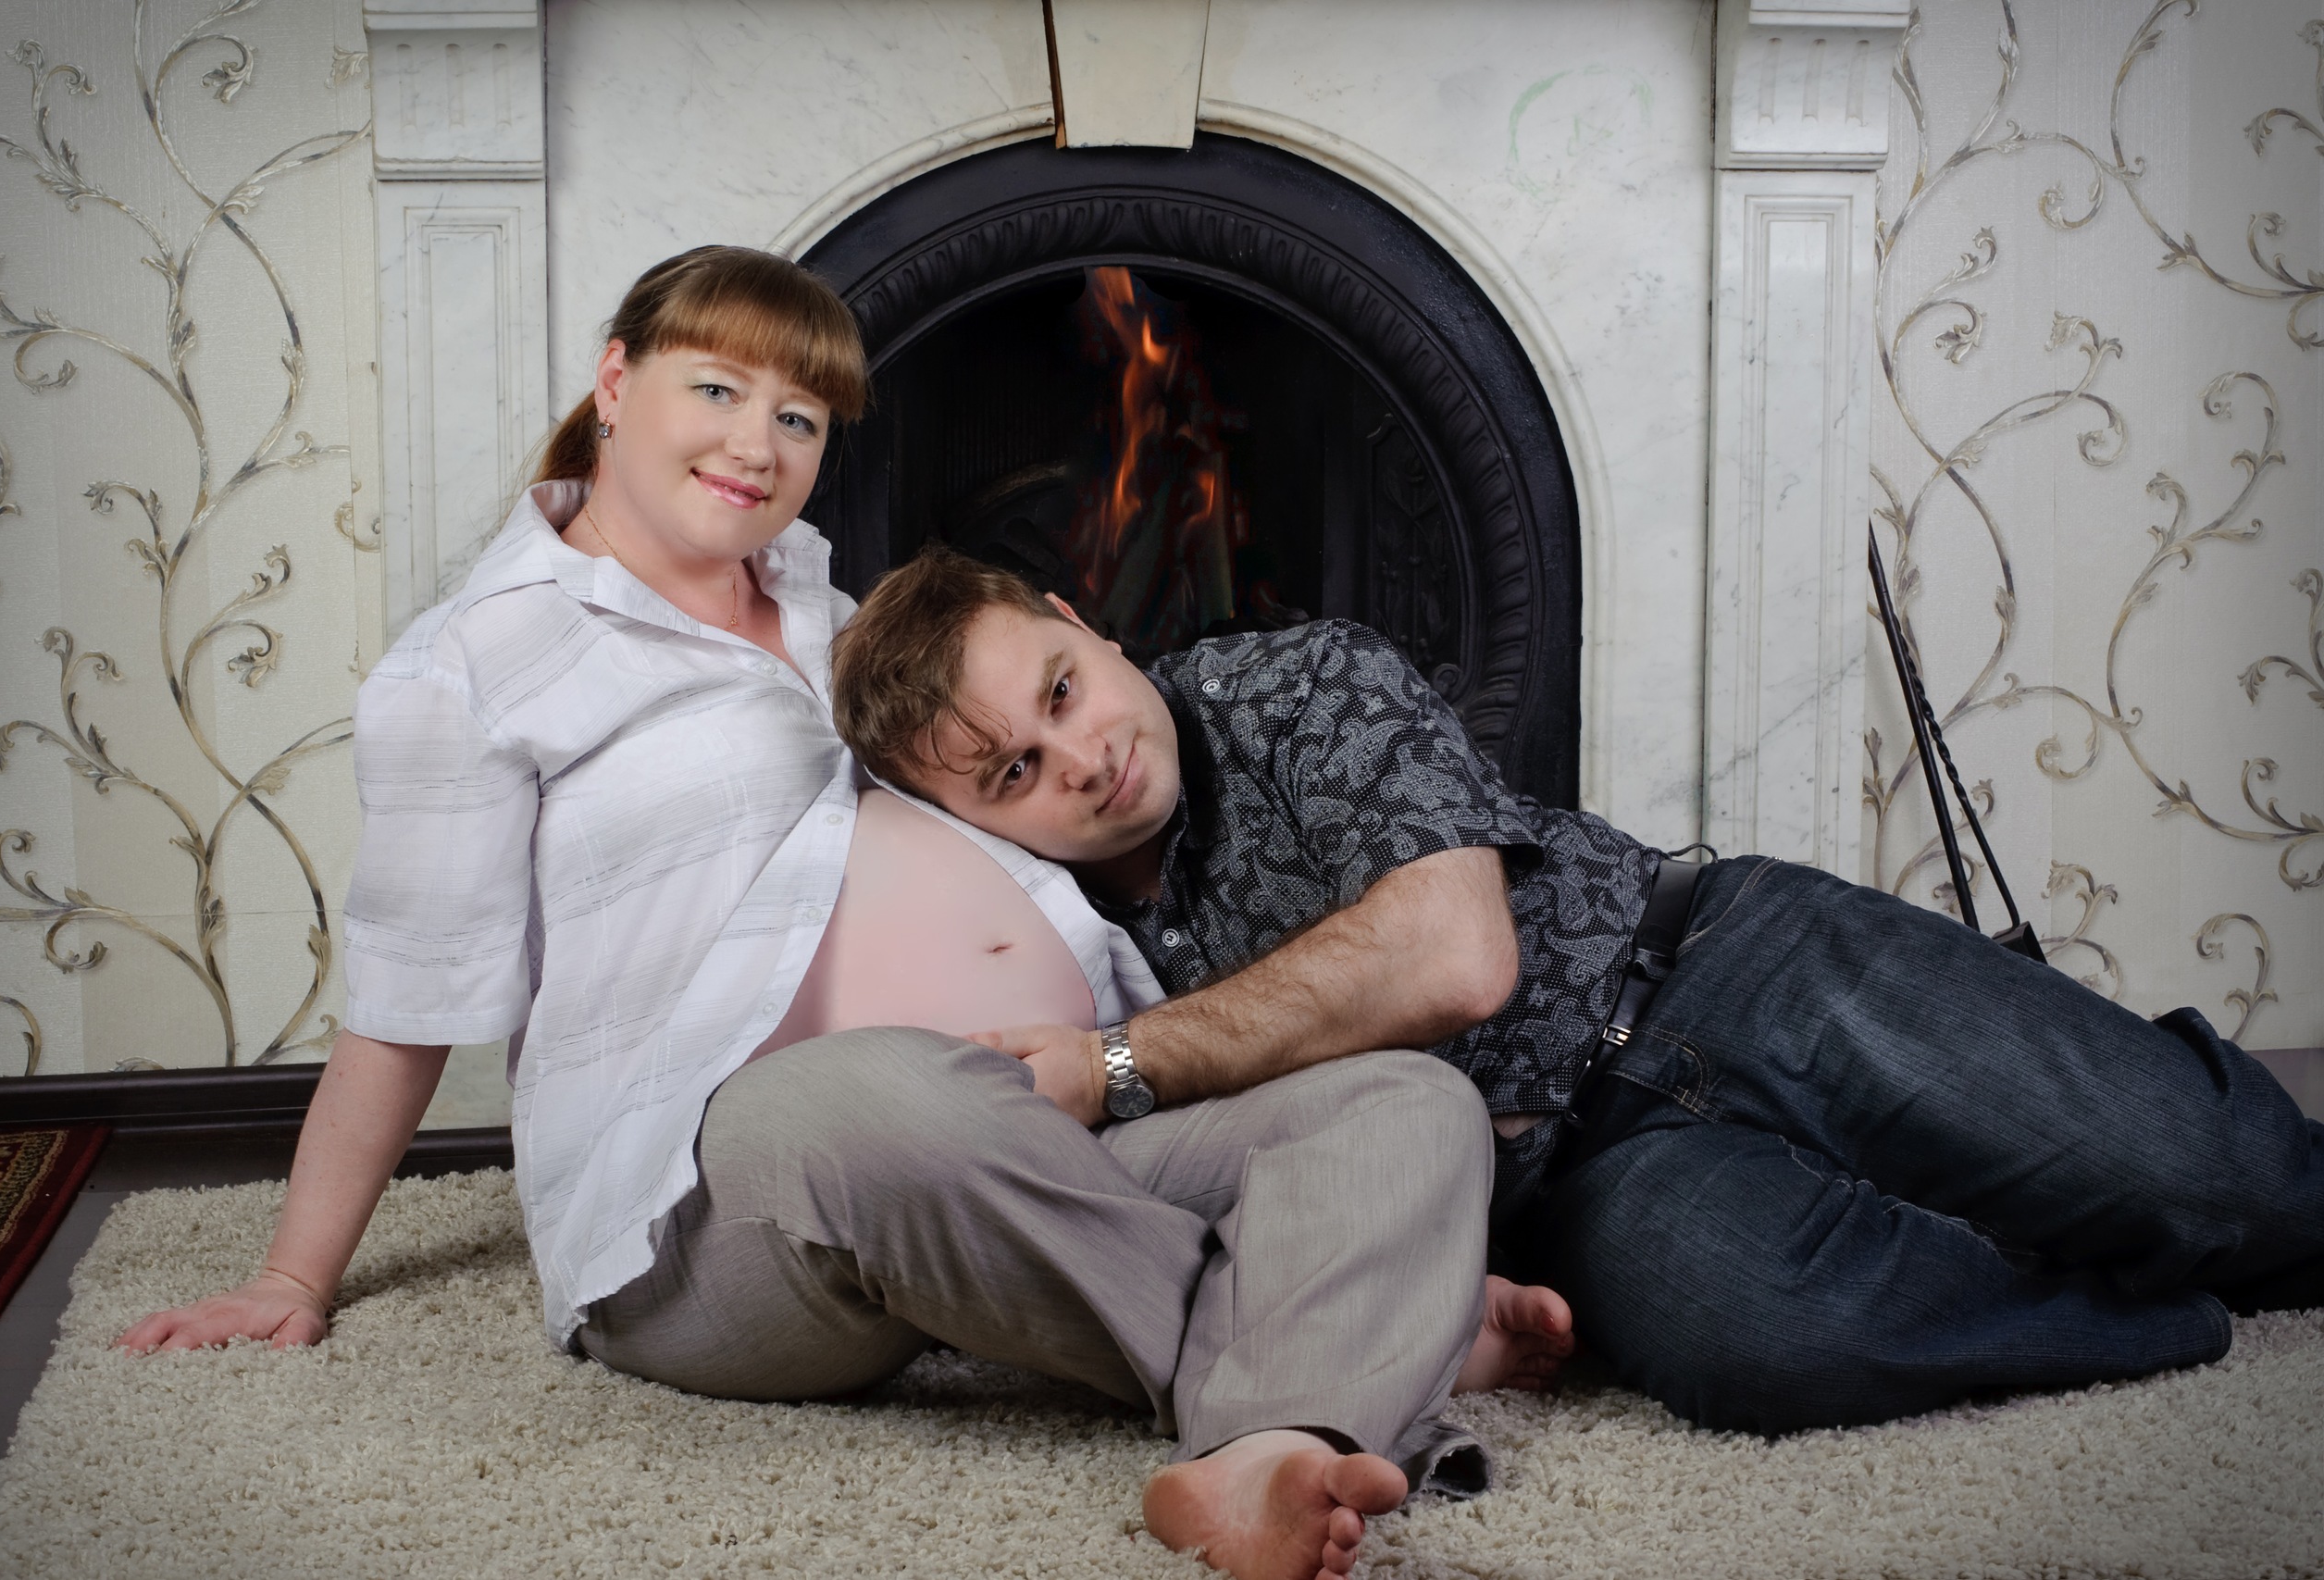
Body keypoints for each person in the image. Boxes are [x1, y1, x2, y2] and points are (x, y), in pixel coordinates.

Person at [115, 247, 1573, 1580]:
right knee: (867, 1097)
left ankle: (1267, 1449)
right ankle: (1349, 1328)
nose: (759, 443)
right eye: (717, 389)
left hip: (1050, 1129)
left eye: (801, 416)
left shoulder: (828, 609)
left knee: (1402, 1100)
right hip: (723, 1203)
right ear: (615, 381)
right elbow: (407, 993)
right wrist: (292, 1274)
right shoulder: (475, 666)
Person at [826, 544, 2324, 1437]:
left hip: (1721, 961)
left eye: (1062, 690)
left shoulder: (1292, 685)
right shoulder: (1056, 941)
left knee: (2215, 1175)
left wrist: (1128, 1063)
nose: (1080, 759)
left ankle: (2140, 1179)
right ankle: (2160, 1318)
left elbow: (1455, 957)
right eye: (1013, 773)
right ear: (972, 823)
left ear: (1082, 620)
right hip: (1585, 1185)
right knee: (1762, 1338)